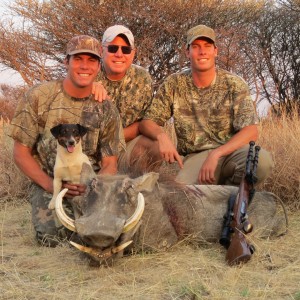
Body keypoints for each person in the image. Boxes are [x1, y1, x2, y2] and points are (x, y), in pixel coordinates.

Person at [9, 35, 125, 247]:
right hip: (49, 182)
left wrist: (91, 186)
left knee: (111, 232)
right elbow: (20, 153)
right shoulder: (38, 96)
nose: (85, 66)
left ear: (99, 66)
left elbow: (110, 164)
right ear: (66, 61)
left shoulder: (107, 107)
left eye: (91, 60)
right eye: (78, 58)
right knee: (52, 238)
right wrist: (53, 186)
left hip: (90, 185)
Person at [139, 24, 273, 185]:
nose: (202, 52)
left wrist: (216, 154)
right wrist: (161, 136)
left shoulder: (234, 83)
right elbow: (147, 122)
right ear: (187, 52)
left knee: (262, 162)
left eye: (207, 46)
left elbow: (251, 131)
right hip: (195, 157)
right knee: (183, 197)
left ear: (215, 51)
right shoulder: (174, 83)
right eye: (195, 47)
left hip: (231, 152)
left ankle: (232, 197)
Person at [92, 25, 153, 170]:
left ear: (133, 53)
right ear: (102, 50)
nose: (119, 54)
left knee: (154, 144)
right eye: (113, 48)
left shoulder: (142, 78)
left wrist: (114, 140)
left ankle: (139, 187)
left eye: (126, 49)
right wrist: (88, 87)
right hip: (92, 149)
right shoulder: (88, 73)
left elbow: (146, 122)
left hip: (124, 145)